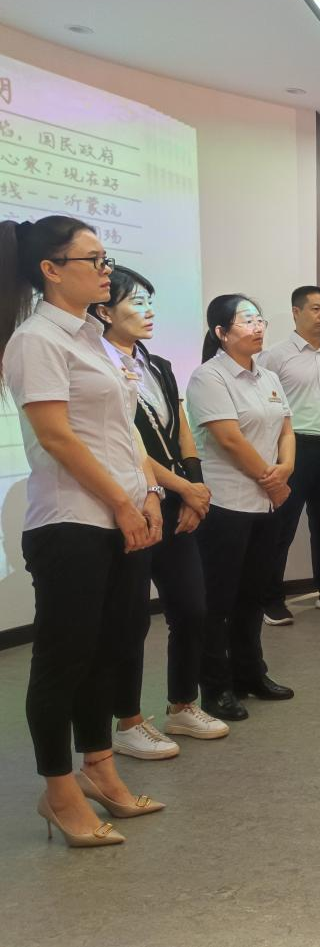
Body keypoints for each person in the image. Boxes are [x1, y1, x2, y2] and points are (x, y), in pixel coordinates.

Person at [1, 216, 163, 847]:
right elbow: (57, 437)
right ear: (50, 269)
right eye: (92, 259)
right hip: (71, 523)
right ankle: (59, 792)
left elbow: (123, 433)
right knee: (62, 661)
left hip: (120, 515)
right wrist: (122, 504)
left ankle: (100, 769)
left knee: (110, 651)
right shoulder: (36, 340)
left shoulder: (95, 338)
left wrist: (147, 495)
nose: (105, 270)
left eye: (105, 258)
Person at [92, 266, 228, 760]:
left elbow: (182, 428)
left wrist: (193, 484)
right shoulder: (97, 367)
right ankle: (127, 721)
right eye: (136, 301)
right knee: (130, 619)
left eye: (150, 301)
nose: (149, 311)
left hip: (175, 502)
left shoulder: (158, 364)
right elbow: (128, 445)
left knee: (191, 607)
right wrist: (184, 488)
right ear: (104, 311)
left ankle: (182, 705)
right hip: (131, 503)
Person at [186, 295, 297, 723]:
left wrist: (286, 469)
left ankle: (251, 673)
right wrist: (273, 480)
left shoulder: (267, 375)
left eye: (259, 320)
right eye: (246, 321)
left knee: (253, 595)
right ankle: (216, 687)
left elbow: (286, 429)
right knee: (218, 600)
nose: (257, 327)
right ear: (221, 332)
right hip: (226, 504)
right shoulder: (208, 377)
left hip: (265, 504)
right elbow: (229, 439)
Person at [256, 286, 320, 621]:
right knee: (282, 527)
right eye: (316, 309)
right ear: (296, 312)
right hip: (294, 449)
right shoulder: (275, 356)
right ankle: (270, 599)